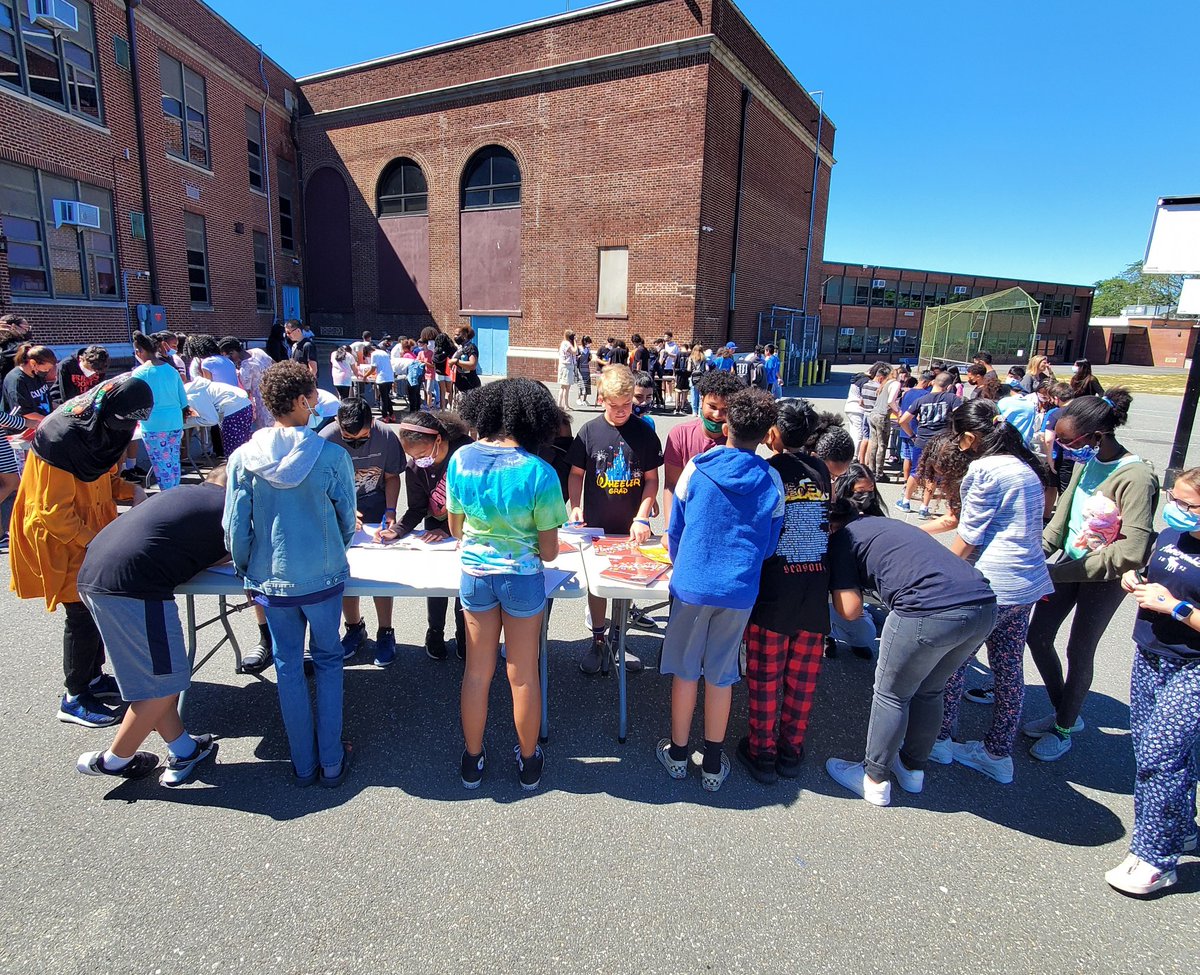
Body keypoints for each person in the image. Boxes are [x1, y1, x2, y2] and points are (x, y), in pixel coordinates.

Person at [824, 473, 997, 806]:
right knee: (930, 689)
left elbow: (850, 610)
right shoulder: (888, 526)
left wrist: (834, 579)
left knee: (891, 694)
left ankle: (873, 779)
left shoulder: (843, 539)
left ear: (831, 526)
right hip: (983, 606)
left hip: (926, 610)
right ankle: (912, 770)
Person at [224, 361, 357, 787]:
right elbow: (347, 519)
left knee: (287, 665)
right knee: (329, 660)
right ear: (302, 401)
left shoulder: (243, 458)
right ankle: (331, 761)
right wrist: (335, 550)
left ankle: (302, 764)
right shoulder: (331, 455)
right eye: (313, 394)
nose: (316, 400)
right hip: (323, 576)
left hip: (271, 579)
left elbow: (235, 528)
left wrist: (247, 570)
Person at [659, 388, 784, 792]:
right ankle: (713, 762)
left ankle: (679, 754)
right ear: (766, 434)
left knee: (685, 671)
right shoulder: (772, 479)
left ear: (726, 426)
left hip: (692, 585)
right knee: (721, 674)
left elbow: (675, 529)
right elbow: (769, 544)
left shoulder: (697, 467)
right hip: (739, 590)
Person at [447, 379, 568, 790]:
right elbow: (549, 552)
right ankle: (529, 762)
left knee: (476, 673)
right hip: (523, 579)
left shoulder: (461, 460)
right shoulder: (540, 472)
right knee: (523, 674)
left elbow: (456, 528)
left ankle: (472, 760)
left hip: (476, 576)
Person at [1025, 389, 1158, 761]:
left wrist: (1059, 571)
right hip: (1069, 565)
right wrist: (1035, 555)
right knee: (1038, 637)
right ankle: (1064, 709)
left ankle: (1064, 729)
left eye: (1068, 441)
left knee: (1079, 650)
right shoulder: (1088, 462)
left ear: (1096, 436)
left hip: (1104, 578)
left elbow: (1132, 551)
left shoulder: (1136, 477)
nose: (1062, 447)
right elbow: (1062, 520)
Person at [9, 375, 150, 728]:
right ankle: (74, 696)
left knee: (96, 608)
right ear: (107, 410)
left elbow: (103, 479)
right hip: (65, 538)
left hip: (92, 533)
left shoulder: (100, 428)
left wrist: (131, 491)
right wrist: (98, 543)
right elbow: (53, 513)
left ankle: (94, 677)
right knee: (81, 615)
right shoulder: (61, 439)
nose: (124, 430)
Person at [75, 467, 229, 784]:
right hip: (134, 589)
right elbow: (242, 553)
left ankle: (184, 748)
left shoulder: (182, 493)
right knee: (166, 684)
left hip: (93, 575)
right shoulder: (227, 508)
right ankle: (115, 760)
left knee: (155, 680)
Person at [928, 399, 1054, 785]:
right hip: (1026, 584)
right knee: (1009, 667)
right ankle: (997, 753)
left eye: (957, 436)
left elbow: (969, 536)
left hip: (991, 585)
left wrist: (939, 576)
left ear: (969, 437)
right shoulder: (1025, 465)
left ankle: (940, 739)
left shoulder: (984, 470)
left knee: (953, 663)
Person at [1105, 469, 1200, 896]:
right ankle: (1181, 827)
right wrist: (1136, 579)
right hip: (1150, 653)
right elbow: (1158, 574)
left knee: (1160, 758)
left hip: (1193, 667)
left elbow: (1175, 600)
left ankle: (1155, 858)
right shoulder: (1171, 535)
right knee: (1153, 749)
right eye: (1173, 499)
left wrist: (1175, 607)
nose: (1175, 509)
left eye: (1187, 505)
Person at [737, 398, 831, 784]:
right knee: (802, 679)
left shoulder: (768, 470)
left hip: (775, 587)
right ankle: (791, 749)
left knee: (765, 676)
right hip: (814, 585)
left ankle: (762, 752)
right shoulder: (821, 469)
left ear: (772, 433)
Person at [567, 365, 662, 674]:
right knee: (598, 587)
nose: (621, 411)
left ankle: (619, 638)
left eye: (627, 405)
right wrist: (576, 506)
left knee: (627, 585)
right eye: (614, 405)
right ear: (601, 399)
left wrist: (642, 516)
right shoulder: (588, 432)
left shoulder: (644, 433)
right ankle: (598, 639)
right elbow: (576, 474)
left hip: (631, 525)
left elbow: (651, 480)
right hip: (596, 525)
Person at [319, 397, 403, 666]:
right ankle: (354, 627)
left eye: (363, 437)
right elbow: (318, 486)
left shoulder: (386, 436)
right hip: (338, 510)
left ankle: (386, 630)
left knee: (380, 573)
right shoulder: (325, 439)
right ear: (337, 423)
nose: (356, 443)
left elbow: (391, 477)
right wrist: (339, 510)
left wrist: (391, 511)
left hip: (375, 504)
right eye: (349, 438)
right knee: (346, 571)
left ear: (373, 423)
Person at [386, 410, 475, 660]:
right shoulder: (415, 467)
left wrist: (447, 530)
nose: (419, 460)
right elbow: (416, 508)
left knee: (463, 584)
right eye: (413, 456)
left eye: (422, 454)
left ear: (438, 439)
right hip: (435, 527)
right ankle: (434, 630)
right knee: (437, 583)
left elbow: (478, 506)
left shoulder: (467, 454)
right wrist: (397, 530)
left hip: (468, 530)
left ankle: (464, 634)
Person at [661, 370, 746, 528]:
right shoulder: (679, 434)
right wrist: (669, 529)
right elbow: (671, 485)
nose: (717, 415)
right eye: (712, 406)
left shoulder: (740, 441)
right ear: (701, 400)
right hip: (687, 523)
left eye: (726, 410)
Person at [132, 331, 189, 490]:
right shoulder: (172, 370)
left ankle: (169, 496)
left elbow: (135, 401)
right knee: (173, 462)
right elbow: (183, 400)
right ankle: (175, 492)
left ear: (139, 351)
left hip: (154, 424)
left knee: (162, 465)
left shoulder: (139, 373)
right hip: (175, 421)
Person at [185, 376, 254, 458]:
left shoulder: (192, 396)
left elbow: (211, 420)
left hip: (234, 409)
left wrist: (185, 423)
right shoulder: (198, 389)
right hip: (244, 405)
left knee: (233, 452)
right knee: (243, 446)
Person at [220, 337, 272, 429]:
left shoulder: (245, 368)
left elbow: (246, 394)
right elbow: (275, 364)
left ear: (232, 352)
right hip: (276, 394)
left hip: (263, 404)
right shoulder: (258, 351)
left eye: (228, 356)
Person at [894, 370, 932, 492]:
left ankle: (906, 481)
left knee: (907, 457)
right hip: (915, 430)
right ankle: (914, 484)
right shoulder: (925, 394)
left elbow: (901, 408)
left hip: (905, 428)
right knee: (917, 460)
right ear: (926, 382)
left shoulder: (907, 393)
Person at [1, 343, 56, 427]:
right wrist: (48, 421)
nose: (47, 371)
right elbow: (24, 412)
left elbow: (48, 400)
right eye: (45, 368)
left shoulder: (37, 374)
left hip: (42, 422)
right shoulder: (16, 380)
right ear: (33, 363)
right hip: (22, 428)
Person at [450, 325, 482, 399]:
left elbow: (472, 365)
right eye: (455, 335)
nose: (455, 337)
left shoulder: (471, 348)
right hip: (460, 384)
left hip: (469, 385)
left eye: (457, 335)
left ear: (464, 335)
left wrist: (456, 361)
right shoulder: (460, 348)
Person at [368, 343, 396, 421]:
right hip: (390, 377)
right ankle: (392, 415)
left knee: (383, 398)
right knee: (386, 396)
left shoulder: (374, 354)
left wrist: (365, 376)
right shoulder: (384, 352)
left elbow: (373, 368)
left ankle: (385, 416)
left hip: (382, 378)